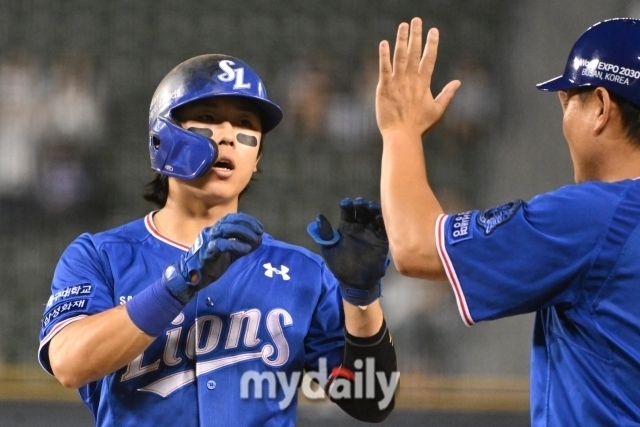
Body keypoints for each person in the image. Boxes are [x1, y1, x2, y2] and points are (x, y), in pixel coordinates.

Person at [38, 54, 397, 426]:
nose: (227, 135)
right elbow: (69, 364)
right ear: (162, 139)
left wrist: (362, 299)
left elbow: (370, 399)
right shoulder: (100, 256)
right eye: (208, 119)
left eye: (245, 125)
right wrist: (179, 283)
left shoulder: (303, 272)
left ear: (257, 157)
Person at [376, 17, 640, 426]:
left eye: (569, 99)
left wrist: (399, 130)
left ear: (602, 108)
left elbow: (415, 246)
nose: (563, 116)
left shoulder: (594, 216)